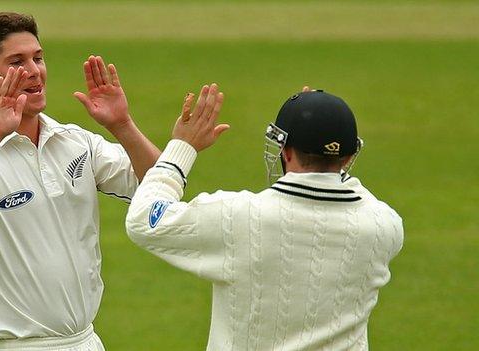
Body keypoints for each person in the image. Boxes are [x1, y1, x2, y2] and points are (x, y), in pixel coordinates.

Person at [0, 12, 160, 351]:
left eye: (38, 57)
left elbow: (161, 189)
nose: (34, 71)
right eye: (17, 61)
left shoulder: (76, 142)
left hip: (86, 341)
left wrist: (122, 125)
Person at [125, 85, 404, 350]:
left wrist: (182, 147)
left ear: (286, 150)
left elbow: (143, 219)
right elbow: (345, 188)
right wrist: (324, 133)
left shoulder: (237, 217)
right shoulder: (384, 226)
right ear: (348, 156)